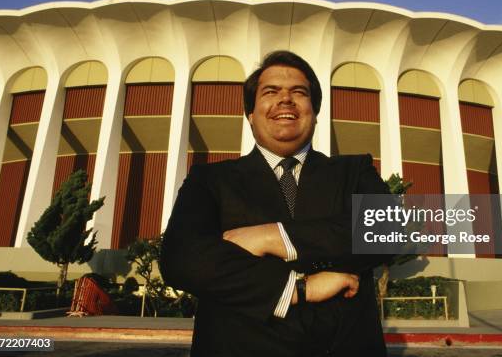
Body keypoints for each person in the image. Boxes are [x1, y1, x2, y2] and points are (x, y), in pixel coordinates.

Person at [160, 50, 390, 357]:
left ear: (315, 111)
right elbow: (181, 258)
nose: (285, 99)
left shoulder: (354, 170)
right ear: (251, 115)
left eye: (299, 92)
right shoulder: (210, 179)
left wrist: (276, 236)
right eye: (271, 92)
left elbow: (387, 229)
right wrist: (297, 288)